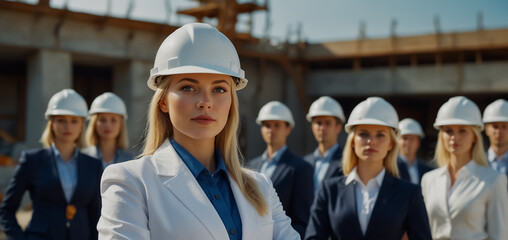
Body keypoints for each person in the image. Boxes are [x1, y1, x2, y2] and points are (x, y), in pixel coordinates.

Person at [97, 23, 300, 240]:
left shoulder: (261, 186)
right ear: (163, 101)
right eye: (188, 87)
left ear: (231, 101)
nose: (205, 102)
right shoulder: (131, 182)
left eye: (219, 89)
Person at [305, 97, 432, 240]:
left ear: (391, 143)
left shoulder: (409, 194)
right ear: (353, 141)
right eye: (364, 134)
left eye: (380, 135)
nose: (371, 142)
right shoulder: (329, 190)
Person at [0, 89, 103, 240]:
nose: (68, 126)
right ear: (52, 124)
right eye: (61, 120)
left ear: (82, 125)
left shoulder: (93, 165)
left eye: (74, 121)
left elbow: (96, 216)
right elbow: (6, 210)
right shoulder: (32, 160)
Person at [421, 96, 508, 240]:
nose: (455, 137)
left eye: (462, 130)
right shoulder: (429, 180)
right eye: (448, 131)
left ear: (474, 136)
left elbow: (499, 236)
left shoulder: (494, 180)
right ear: (441, 136)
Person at [248, 101, 314, 237]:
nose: (271, 130)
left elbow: (302, 221)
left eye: (277, 125)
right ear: (261, 129)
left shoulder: (300, 168)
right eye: (267, 125)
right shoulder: (251, 166)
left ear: (288, 129)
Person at [303, 96, 346, 194]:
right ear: (312, 127)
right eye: (318, 123)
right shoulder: (305, 162)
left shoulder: (347, 161)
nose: (322, 128)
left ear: (338, 127)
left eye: (328, 123)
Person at [82, 92, 133, 168]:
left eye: (113, 120)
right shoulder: (81, 158)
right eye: (102, 120)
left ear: (121, 125)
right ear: (94, 124)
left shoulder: (131, 160)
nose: (108, 125)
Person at [397, 118, 433, 185]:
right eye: (405, 138)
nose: (408, 142)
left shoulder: (428, 171)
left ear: (418, 142)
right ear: (397, 141)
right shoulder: (391, 168)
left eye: (412, 138)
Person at [483, 99, 508, 175]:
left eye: (504, 127)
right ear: (487, 129)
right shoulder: (477, 162)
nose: (499, 131)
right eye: (495, 126)